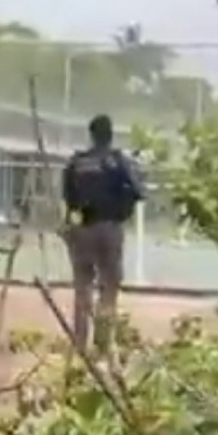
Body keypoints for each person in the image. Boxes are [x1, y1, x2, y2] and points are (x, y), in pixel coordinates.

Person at [61, 114, 144, 357]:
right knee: (109, 286)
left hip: (82, 229)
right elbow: (138, 191)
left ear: (91, 134)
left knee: (82, 286)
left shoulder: (77, 162)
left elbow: (68, 198)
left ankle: (80, 343)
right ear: (110, 135)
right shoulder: (117, 161)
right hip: (109, 227)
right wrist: (121, 208)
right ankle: (103, 342)